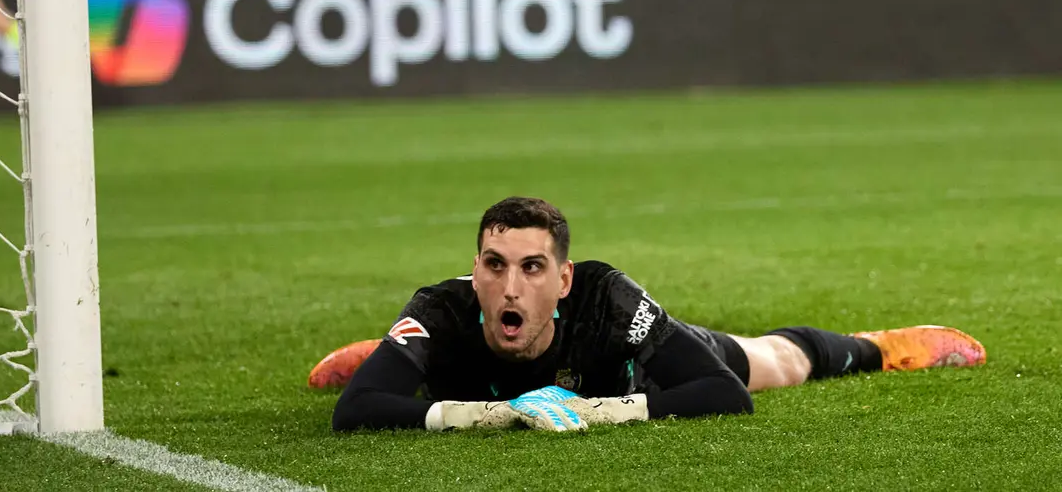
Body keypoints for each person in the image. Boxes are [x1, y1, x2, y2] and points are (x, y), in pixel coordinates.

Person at [320, 196, 986, 433]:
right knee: (385, 378)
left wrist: (588, 413)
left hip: (632, 380)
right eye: (494, 266)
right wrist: (495, 416)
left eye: (532, 268)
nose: (509, 288)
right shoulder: (442, 307)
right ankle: (393, 352)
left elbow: (724, 396)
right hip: (486, 391)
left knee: (772, 365)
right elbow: (356, 412)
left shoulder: (606, 301)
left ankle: (882, 345)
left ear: (564, 280)